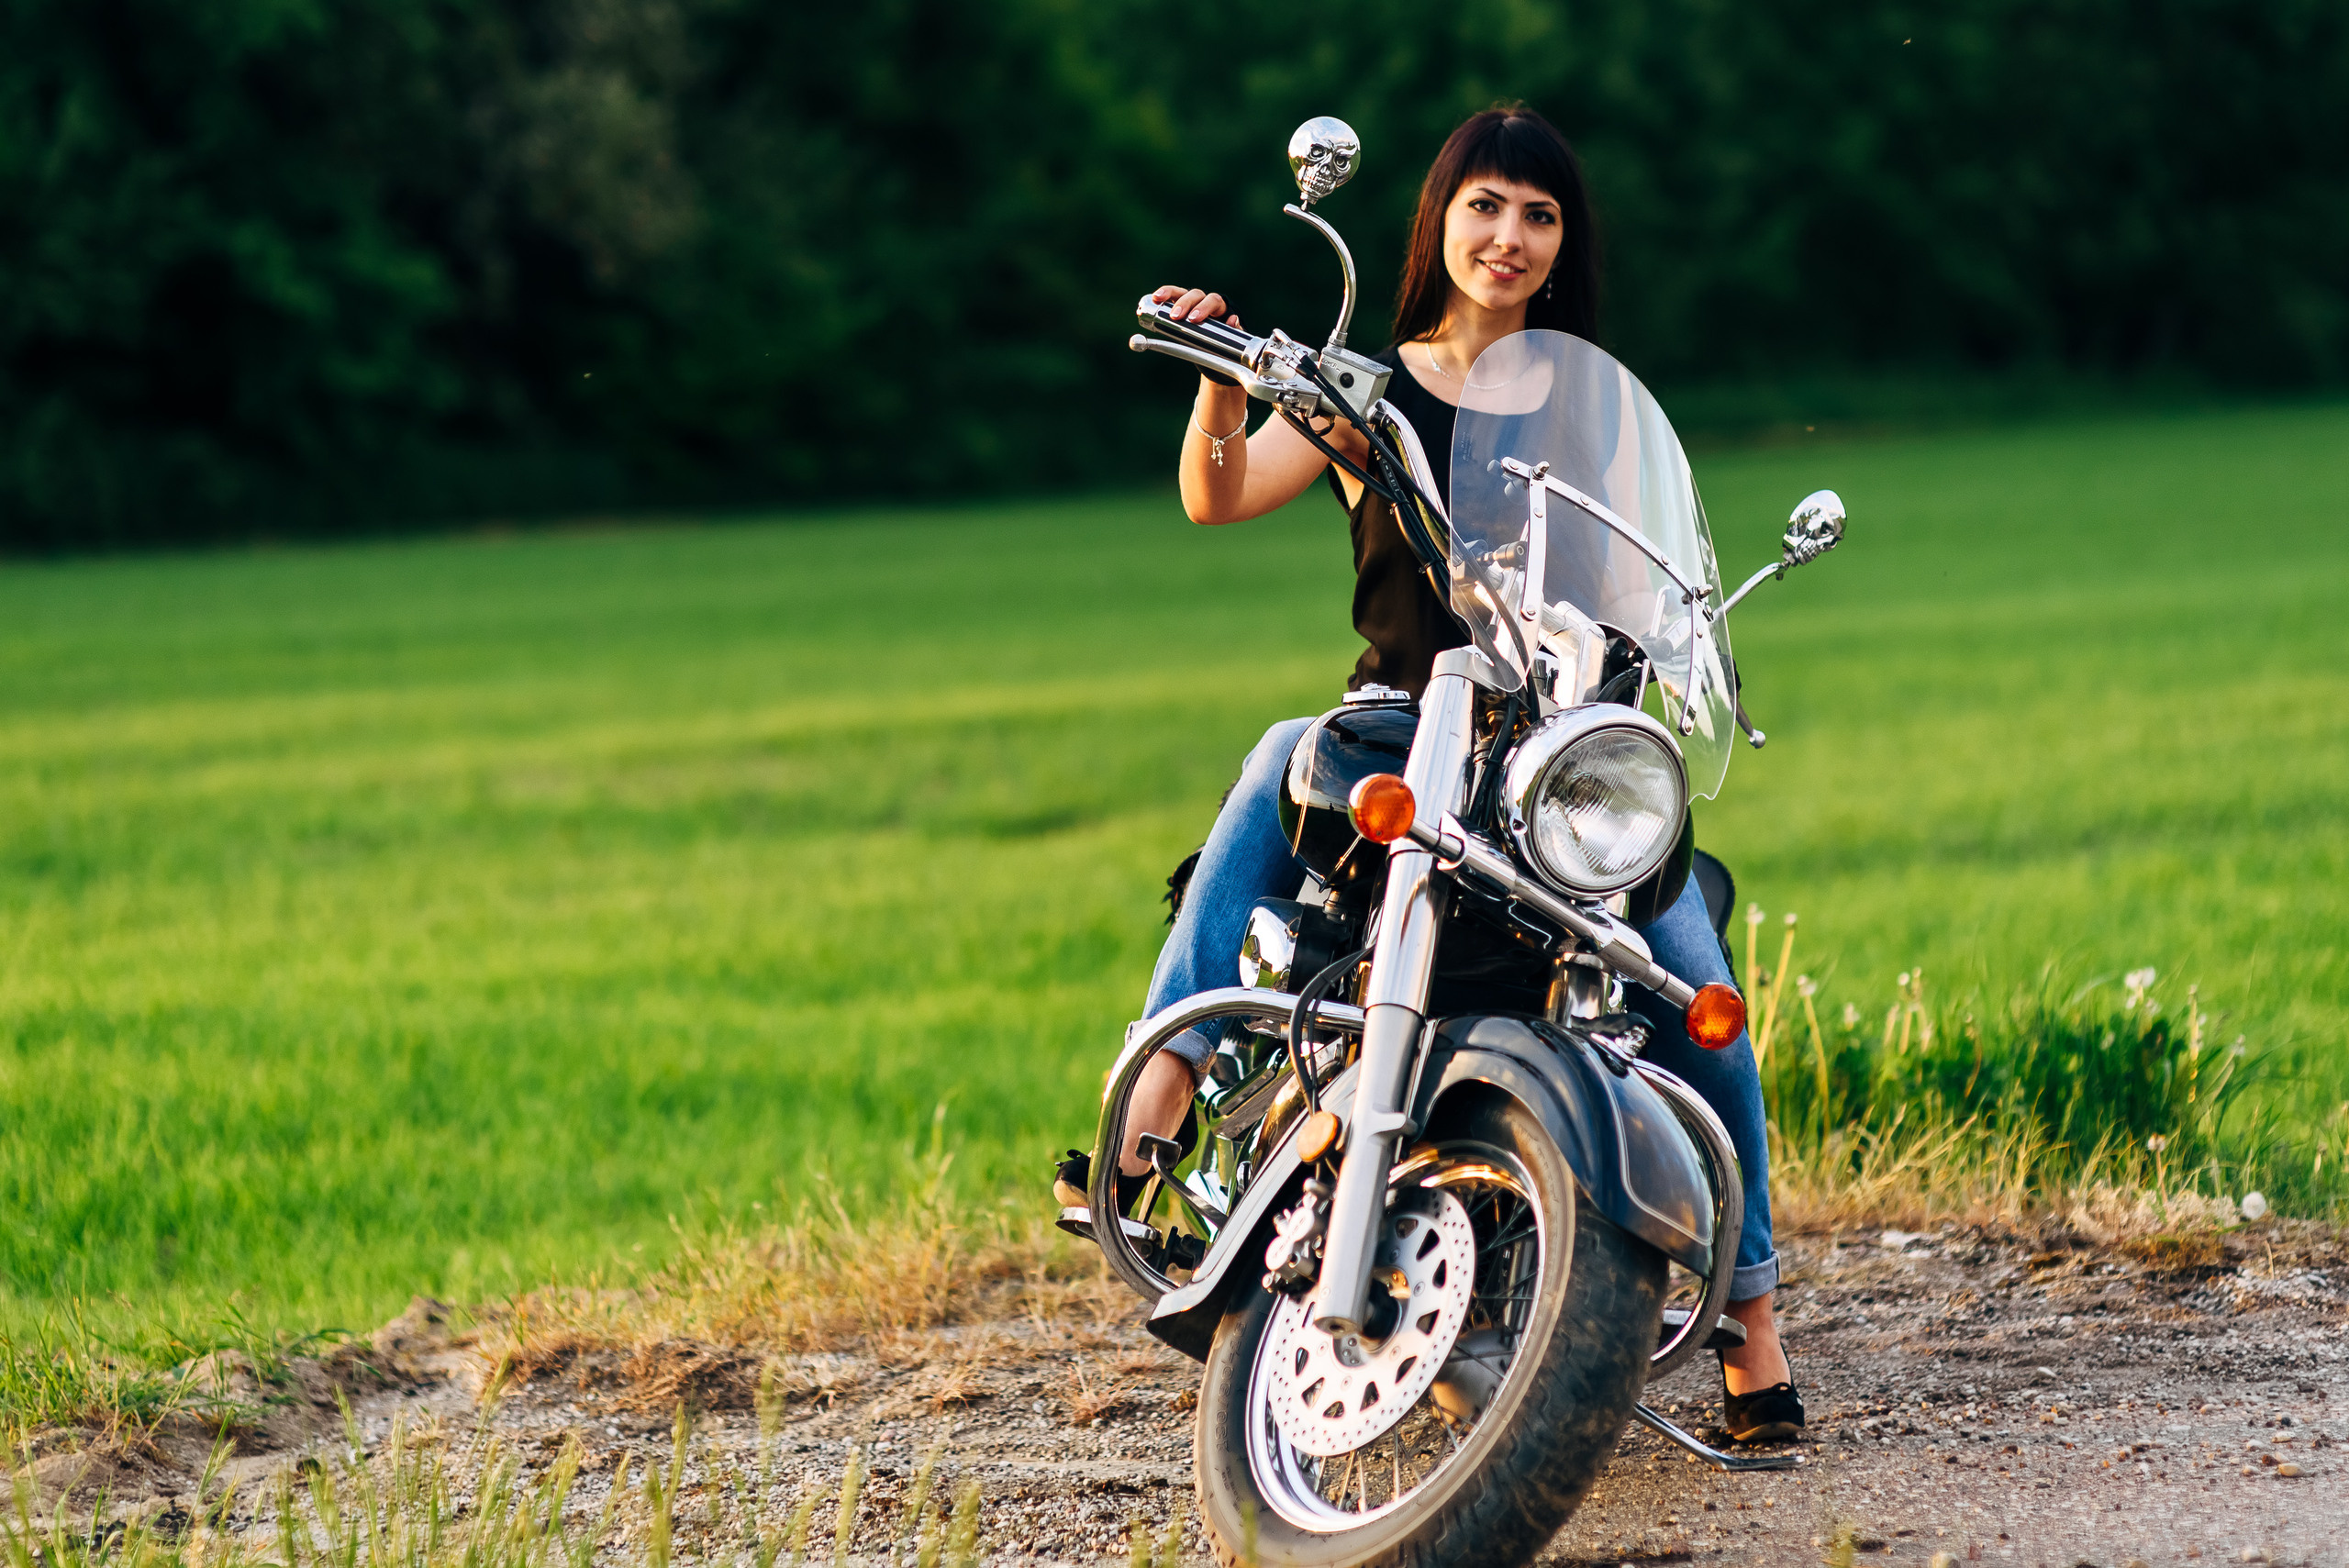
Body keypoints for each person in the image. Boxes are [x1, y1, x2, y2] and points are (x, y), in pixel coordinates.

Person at [1057, 106, 1802, 1444]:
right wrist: (1224, 380)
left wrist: (1663, 641)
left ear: (1565, 241)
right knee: (1280, 753)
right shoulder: (1367, 387)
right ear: (1437, 220)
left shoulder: (1597, 403)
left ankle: (1751, 1314)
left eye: (1538, 214)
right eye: (1484, 206)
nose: (1507, 236)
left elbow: (1650, 579)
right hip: (1407, 722)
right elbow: (1217, 496)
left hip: (1560, 743)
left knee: (1702, 991)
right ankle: (1164, 1077)